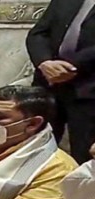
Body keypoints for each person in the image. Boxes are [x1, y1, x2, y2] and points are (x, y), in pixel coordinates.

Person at [26, 0, 95, 164]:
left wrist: (71, 67)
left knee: (83, 158)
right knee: (33, 150)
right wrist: (44, 62)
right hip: (47, 84)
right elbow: (38, 33)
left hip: (88, 90)